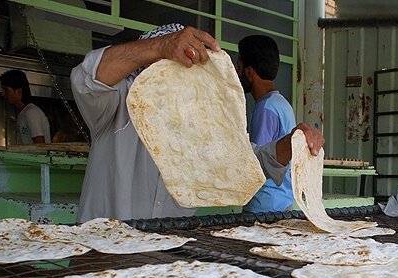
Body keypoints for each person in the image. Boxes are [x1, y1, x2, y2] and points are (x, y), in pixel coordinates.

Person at [70, 23, 325, 223]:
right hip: (102, 254)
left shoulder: (199, 122)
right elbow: (87, 78)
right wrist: (160, 47)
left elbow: (245, 160)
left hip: (163, 262)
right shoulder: (117, 103)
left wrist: (290, 144)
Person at [237, 35, 297, 213]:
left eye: (238, 67)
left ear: (249, 72)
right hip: (283, 201)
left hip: (265, 206)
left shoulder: (265, 108)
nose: (236, 74)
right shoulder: (282, 104)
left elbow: (258, 165)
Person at [0, 70, 51, 144]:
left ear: (19, 91)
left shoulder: (31, 113)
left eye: (6, 90)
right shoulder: (24, 113)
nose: (2, 94)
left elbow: (40, 146)